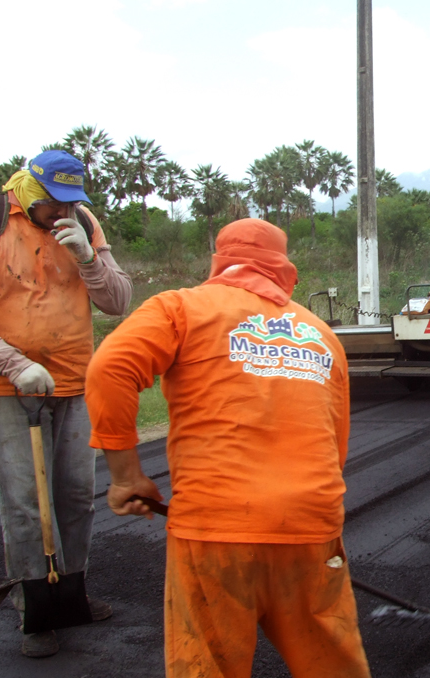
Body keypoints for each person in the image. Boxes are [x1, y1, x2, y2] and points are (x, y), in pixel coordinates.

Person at [84, 218, 371, 678]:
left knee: (208, 667)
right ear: (283, 267)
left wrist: (126, 476)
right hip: (311, 526)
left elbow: (108, 370)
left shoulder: (180, 308)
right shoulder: (322, 334)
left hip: (216, 529)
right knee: (331, 666)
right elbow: (335, 443)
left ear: (220, 261)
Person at [0, 150, 132, 657]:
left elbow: (117, 302)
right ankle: (36, 612)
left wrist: (90, 261)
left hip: (74, 383)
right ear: (27, 188)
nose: (62, 212)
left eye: (72, 202)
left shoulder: (82, 222)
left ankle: (72, 596)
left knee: (73, 497)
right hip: (10, 387)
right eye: (53, 203)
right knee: (25, 504)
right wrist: (13, 363)